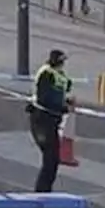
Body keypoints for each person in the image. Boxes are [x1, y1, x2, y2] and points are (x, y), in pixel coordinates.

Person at [27, 49, 75, 192]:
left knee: (52, 159)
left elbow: (61, 90)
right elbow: (44, 99)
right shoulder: (46, 74)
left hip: (50, 120)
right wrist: (63, 108)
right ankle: (42, 191)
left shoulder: (57, 74)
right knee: (50, 158)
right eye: (62, 61)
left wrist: (65, 101)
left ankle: (44, 190)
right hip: (42, 120)